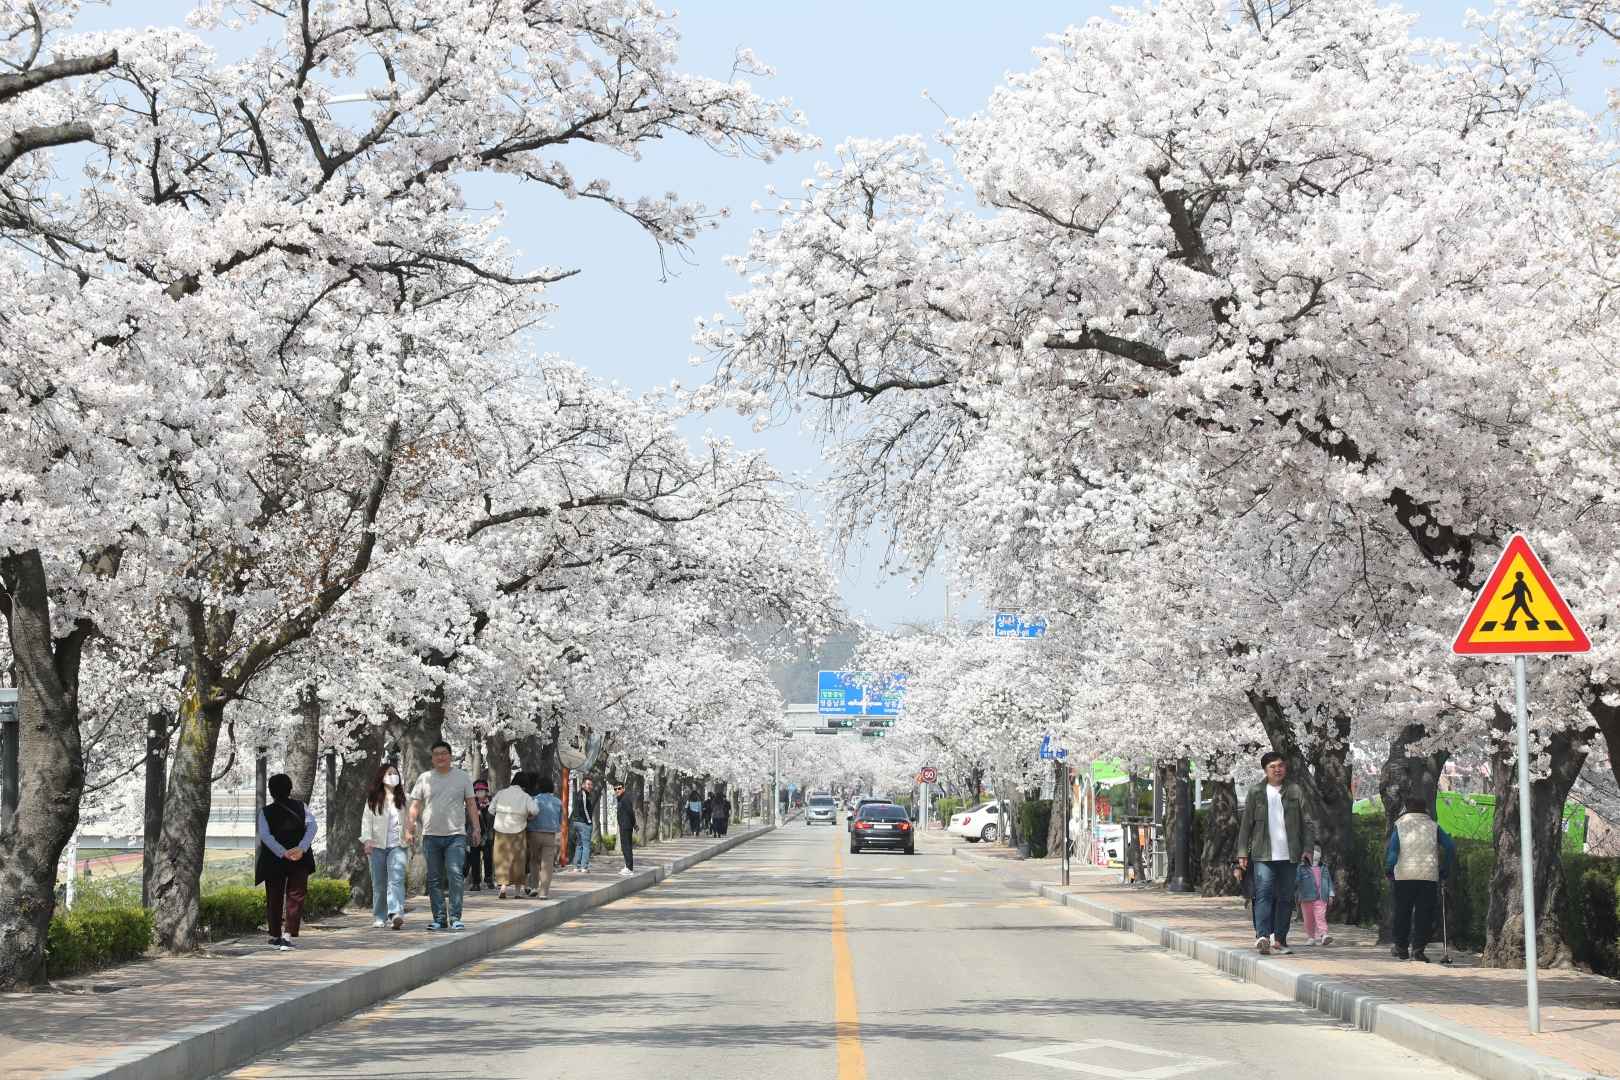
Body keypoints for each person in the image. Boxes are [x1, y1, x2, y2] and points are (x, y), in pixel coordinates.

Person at [1236, 751, 1317, 956]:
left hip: (1290, 855)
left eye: (1280, 765)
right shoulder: (1256, 792)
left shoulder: (1295, 790)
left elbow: (1308, 822)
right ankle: (1262, 936)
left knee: (1286, 898)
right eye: (1272, 766)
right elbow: (1246, 825)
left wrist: (1308, 849)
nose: (1277, 769)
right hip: (1263, 855)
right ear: (1265, 770)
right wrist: (1242, 852)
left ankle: (1280, 939)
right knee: (1263, 894)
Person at [405, 740, 480, 931]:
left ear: (450, 756)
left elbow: (471, 804)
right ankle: (439, 918)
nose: (440, 757)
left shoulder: (462, 777)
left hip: (456, 834)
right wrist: (409, 827)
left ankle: (455, 917)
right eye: (436, 754)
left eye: (443, 753)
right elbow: (414, 805)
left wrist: (476, 828)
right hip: (431, 835)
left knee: (455, 874)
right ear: (432, 758)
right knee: (434, 878)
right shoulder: (424, 778)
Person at [1385, 796, 1457, 961]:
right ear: (1425, 809)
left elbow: (1394, 851)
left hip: (1404, 875)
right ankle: (1418, 949)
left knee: (1402, 911)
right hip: (1428, 877)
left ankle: (1401, 947)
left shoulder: (1400, 825)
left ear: (1406, 808)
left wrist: (1389, 868)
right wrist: (1444, 868)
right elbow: (1450, 846)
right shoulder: (1433, 826)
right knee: (1425, 914)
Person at [255, 772, 317, 951]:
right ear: (290, 789)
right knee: (296, 896)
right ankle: (288, 935)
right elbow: (312, 826)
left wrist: (282, 853)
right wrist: (301, 848)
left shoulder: (265, 812)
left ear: (271, 791)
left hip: (274, 859)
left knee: (274, 896)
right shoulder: (301, 806)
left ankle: (275, 935)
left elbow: (265, 836)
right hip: (300, 858)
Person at [361, 762, 408, 930]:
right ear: (381, 777)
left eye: (395, 773)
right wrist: (367, 840)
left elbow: (410, 820)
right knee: (379, 883)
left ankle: (396, 913)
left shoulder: (404, 798)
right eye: (388, 773)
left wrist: (410, 833)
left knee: (396, 880)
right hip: (377, 846)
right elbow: (366, 822)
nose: (392, 776)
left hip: (398, 845)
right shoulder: (373, 800)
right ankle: (380, 916)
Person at [490, 771, 536, 899]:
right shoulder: (525, 796)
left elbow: (490, 809)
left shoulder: (501, 793)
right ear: (525, 784)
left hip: (501, 830)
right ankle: (517, 893)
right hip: (519, 830)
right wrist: (527, 815)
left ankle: (503, 887)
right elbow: (535, 810)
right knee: (518, 860)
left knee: (502, 859)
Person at [525, 773, 564, 898]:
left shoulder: (534, 799)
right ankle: (544, 892)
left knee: (534, 861)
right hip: (550, 835)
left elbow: (529, 816)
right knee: (547, 864)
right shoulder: (558, 802)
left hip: (534, 834)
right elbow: (560, 820)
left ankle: (534, 886)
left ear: (539, 787)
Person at [1295, 846, 1335, 946]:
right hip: (1306, 897)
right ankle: (1311, 937)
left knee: (1320, 916)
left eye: (1318, 851)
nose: (1315, 853)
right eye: (1312, 851)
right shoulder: (1301, 867)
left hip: (1321, 897)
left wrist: (1331, 894)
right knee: (1308, 919)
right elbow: (1296, 881)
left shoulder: (1324, 867)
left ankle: (1323, 935)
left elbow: (1329, 881)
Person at [465, 780, 495, 892]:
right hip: (474, 834)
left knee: (488, 858)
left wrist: (485, 811)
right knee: (475, 859)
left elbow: (493, 819)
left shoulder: (492, 803)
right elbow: (467, 819)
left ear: (486, 791)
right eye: (477, 791)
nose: (479, 793)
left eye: (482, 790)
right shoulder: (471, 803)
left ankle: (488, 879)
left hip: (487, 835)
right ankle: (476, 882)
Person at [568, 776, 595, 873]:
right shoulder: (583, 794)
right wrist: (589, 821)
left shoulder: (581, 794)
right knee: (586, 845)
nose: (590, 786)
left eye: (591, 784)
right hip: (583, 823)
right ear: (583, 784)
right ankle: (584, 866)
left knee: (579, 844)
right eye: (588, 784)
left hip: (577, 823)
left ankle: (577, 866)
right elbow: (584, 809)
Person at [614, 780, 637, 877]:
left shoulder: (625, 799)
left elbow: (630, 812)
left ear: (623, 788)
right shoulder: (621, 798)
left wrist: (634, 824)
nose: (617, 790)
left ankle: (629, 868)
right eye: (615, 789)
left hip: (626, 826)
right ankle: (627, 866)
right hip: (624, 825)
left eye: (619, 788)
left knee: (626, 847)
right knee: (625, 847)